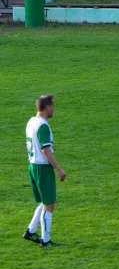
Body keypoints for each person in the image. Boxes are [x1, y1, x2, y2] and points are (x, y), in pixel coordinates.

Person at [23, 95, 67, 247]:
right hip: (42, 168)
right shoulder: (42, 125)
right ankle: (46, 240)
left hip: (33, 166)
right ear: (47, 107)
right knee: (49, 203)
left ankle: (30, 231)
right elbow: (46, 151)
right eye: (53, 106)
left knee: (45, 201)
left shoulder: (31, 122)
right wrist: (59, 169)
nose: (54, 109)